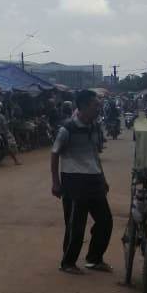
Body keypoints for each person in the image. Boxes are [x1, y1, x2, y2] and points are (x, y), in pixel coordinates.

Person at [51, 90, 112, 275]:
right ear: (84, 106)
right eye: (95, 105)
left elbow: (94, 153)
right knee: (76, 225)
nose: (98, 109)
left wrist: (103, 178)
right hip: (74, 181)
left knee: (105, 221)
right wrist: (56, 182)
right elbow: (55, 154)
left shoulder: (94, 126)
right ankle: (68, 262)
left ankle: (94, 259)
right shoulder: (67, 129)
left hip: (94, 180)